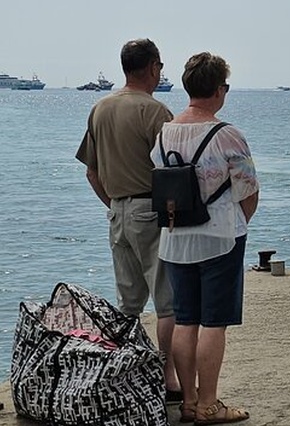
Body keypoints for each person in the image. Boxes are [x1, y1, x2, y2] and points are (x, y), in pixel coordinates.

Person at [151, 52, 259, 424]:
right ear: (217, 89)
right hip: (220, 236)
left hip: (176, 237)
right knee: (214, 321)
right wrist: (236, 223)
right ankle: (210, 405)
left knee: (185, 319)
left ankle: (189, 401)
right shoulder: (228, 134)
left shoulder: (165, 132)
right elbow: (249, 191)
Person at [75, 38, 182, 401]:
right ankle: (168, 378)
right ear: (153, 67)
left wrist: (113, 204)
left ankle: (128, 372)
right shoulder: (155, 112)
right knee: (168, 301)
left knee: (128, 303)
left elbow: (91, 172)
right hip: (149, 209)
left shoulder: (100, 108)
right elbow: (175, 171)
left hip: (117, 210)